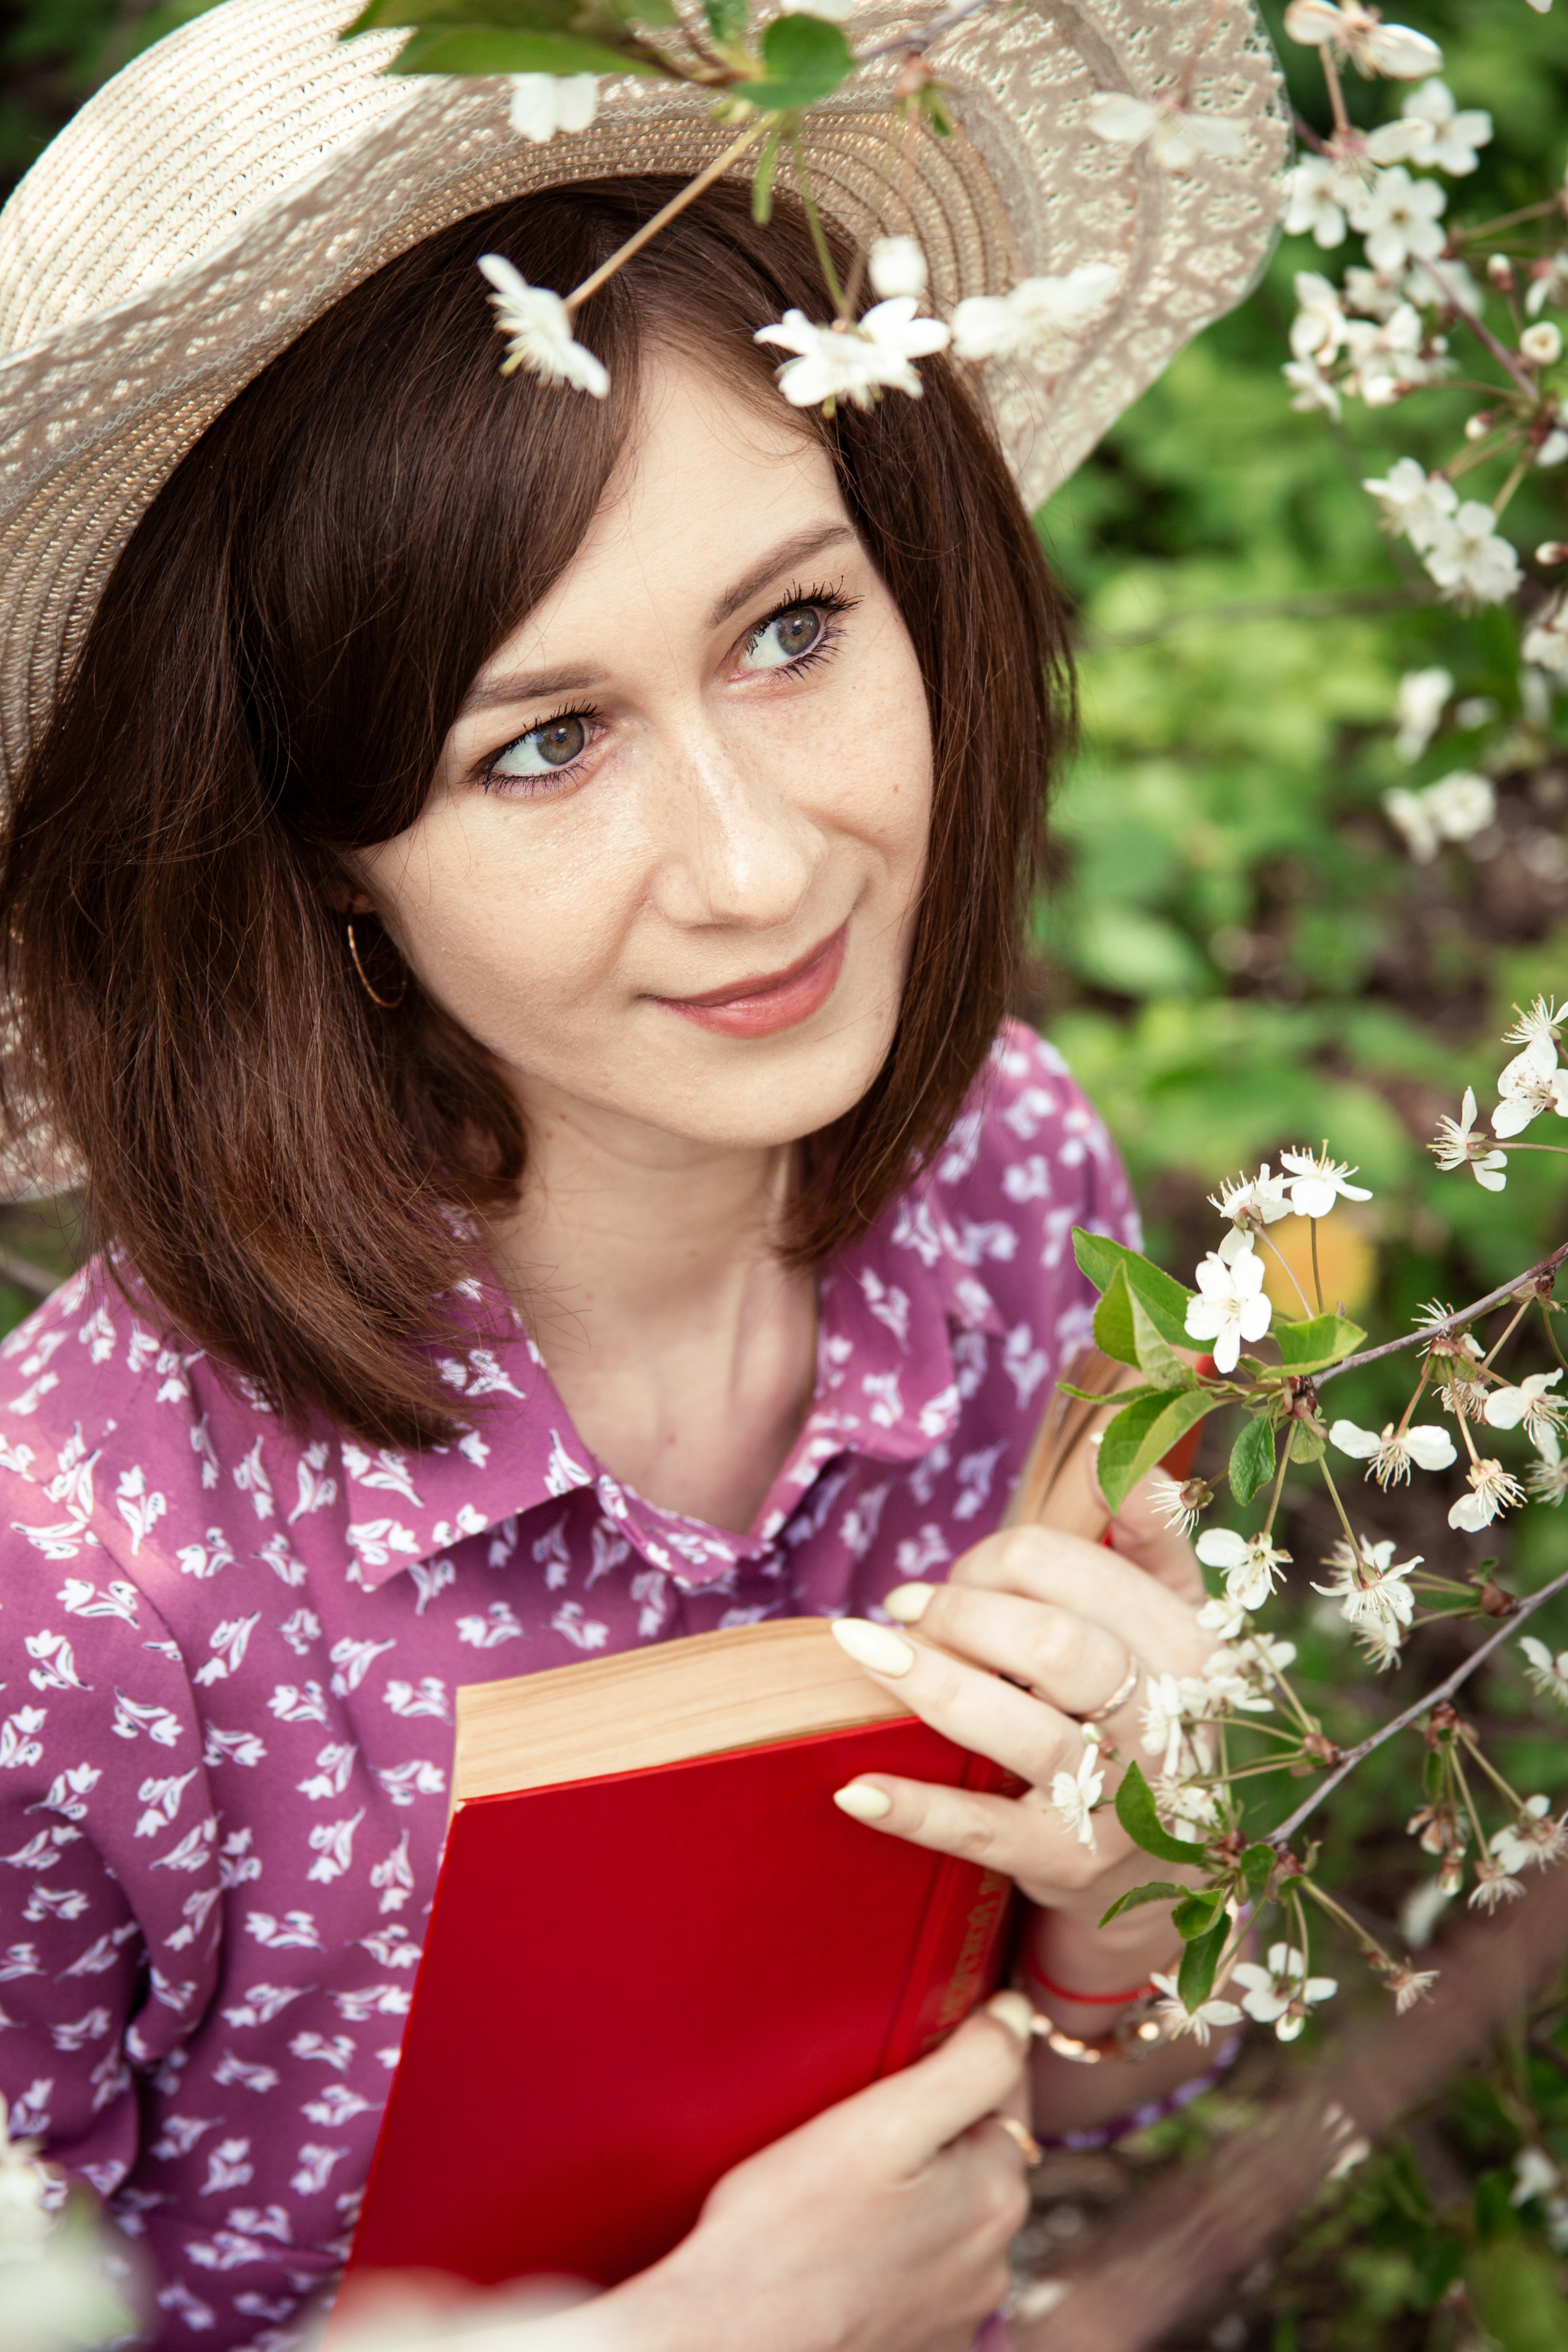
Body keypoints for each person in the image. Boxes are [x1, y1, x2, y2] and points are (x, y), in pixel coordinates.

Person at [0, 2, 1288, 2345]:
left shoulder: (1005, 1182)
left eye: (793, 629)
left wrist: (1120, 1922)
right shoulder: (82, 1603)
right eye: (546, 743)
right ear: (315, 858)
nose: (758, 861)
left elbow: (1072, 2120)